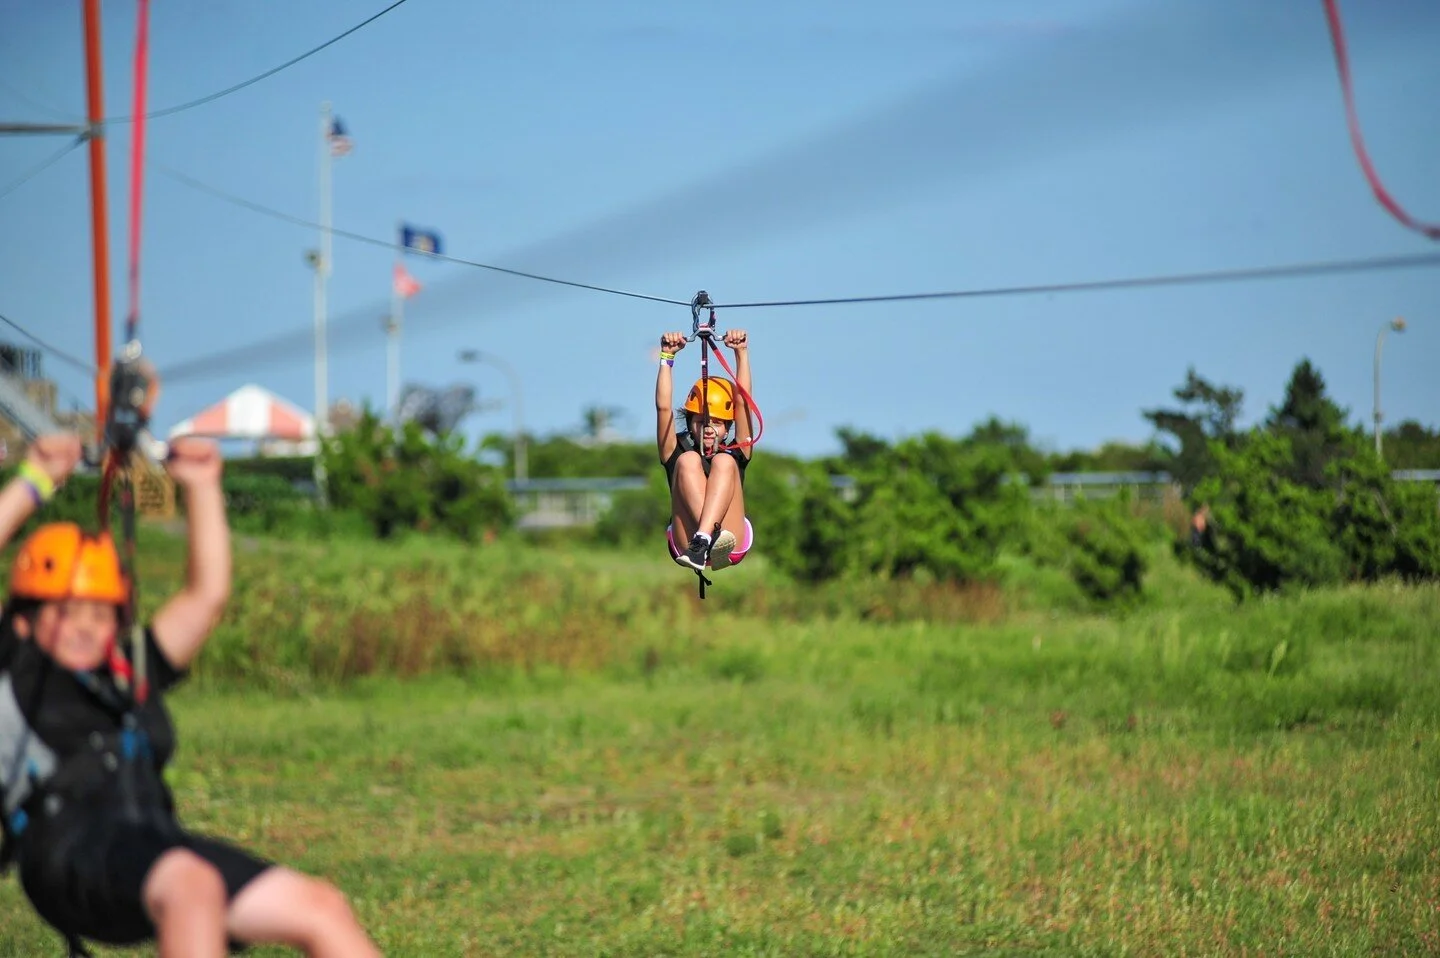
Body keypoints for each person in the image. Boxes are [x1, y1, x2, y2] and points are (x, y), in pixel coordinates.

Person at [0, 432, 381, 958]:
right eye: (65, 612)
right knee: (192, 886)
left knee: (320, 907)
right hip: (68, 851)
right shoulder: (15, 669)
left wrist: (202, 486)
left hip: (153, 845)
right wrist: (36, 480)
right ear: (24, 621)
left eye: (99, 613)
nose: (84, 627)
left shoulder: (128, 670)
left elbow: (206, 596)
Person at [655, 328, 754, 572]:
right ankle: (702, 540)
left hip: (729, 539)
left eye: (717, 423)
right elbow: (663, 408)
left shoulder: (737, 449)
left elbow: (743, 402)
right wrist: (667, 356)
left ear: (728, 427)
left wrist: (741, 352)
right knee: (688, 460)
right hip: (686, 541)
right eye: (701, 421)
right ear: (689, 422)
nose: (709, 429)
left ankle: (705, 538)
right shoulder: (676, 449)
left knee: (724, 462)